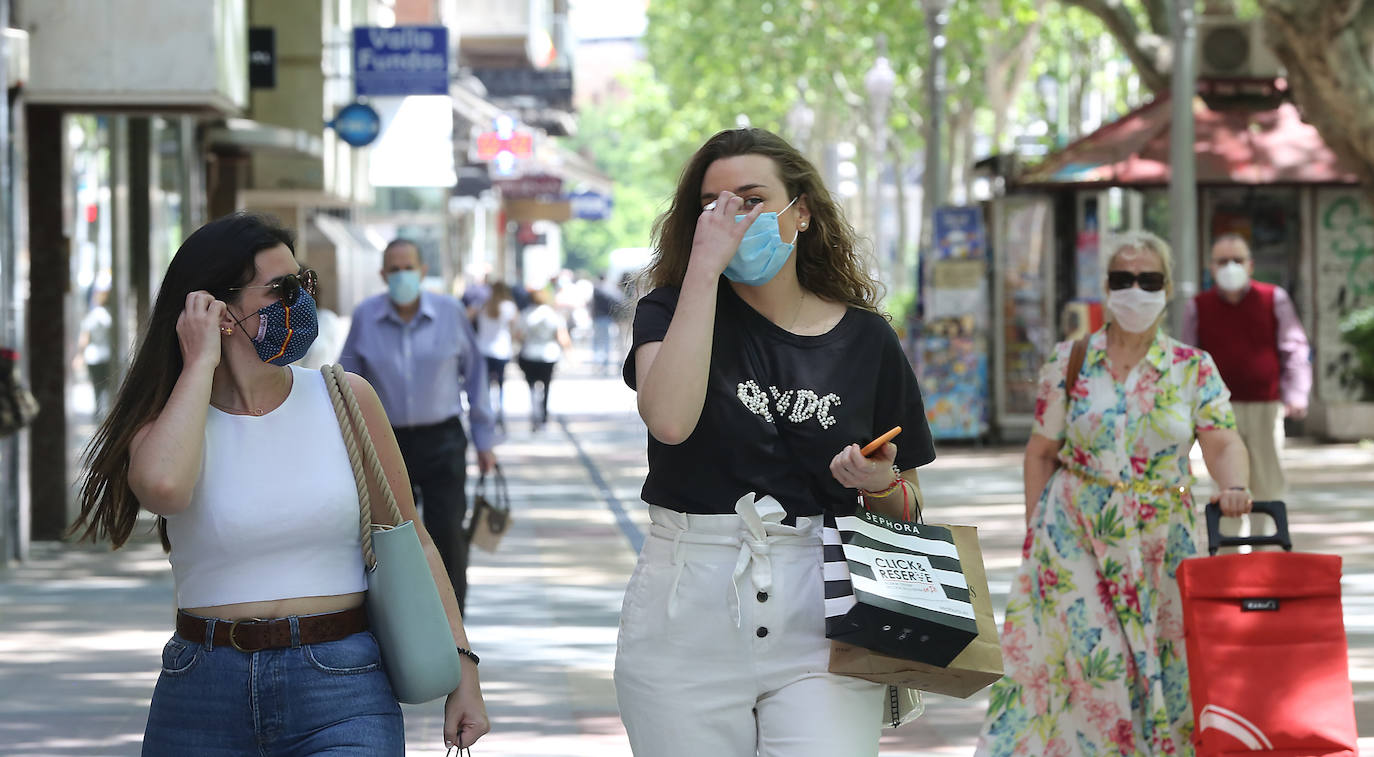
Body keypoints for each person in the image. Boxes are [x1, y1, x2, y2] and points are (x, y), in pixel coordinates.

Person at [69, 213, 489, 755]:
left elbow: (414, 538)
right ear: (215, 308)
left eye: (303, 283)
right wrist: (201, 364)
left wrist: (463, 668)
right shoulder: (167, 419)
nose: (301, 301)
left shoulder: (346, 399)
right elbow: (163, 490)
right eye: (281, 289)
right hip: (203, 687)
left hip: (342, 682)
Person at [614, 127, 937, 757]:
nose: (732, 216)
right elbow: (670, 420)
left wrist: (882, 487)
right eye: (713, 204)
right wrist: (704, 271)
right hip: (688, 601)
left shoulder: (868, 340)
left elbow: (910, 507)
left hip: (825, 602)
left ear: (803, 211)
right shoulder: (670, 311)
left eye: (752, 198)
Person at [976, 231, 1252, 756]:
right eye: (1123, 279)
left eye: (1148, 280)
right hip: (1075, 529)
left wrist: (1234, 485)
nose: (1135, 290)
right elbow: (1040, 452)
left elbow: (1221, 440)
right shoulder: (1071, 361)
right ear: (1106, 287)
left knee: (1157, 661)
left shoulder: (1193, 368)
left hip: (1159, 539)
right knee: (1089, 660)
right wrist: (1037, 536)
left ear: (1167, 288)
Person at [339, 239, 497, 613]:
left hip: (442, 439)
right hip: (385, 442)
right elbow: (343, 380)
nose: (401, 275)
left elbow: (475, 376)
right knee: (392, 538)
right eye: (393, 269)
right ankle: (403, 619)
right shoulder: (366, 316)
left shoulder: (450, 312)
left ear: (423, 271)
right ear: (382, 274)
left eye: (408, 267)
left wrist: (484, 440)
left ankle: (453, 621)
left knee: (447, 535)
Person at [1183, 233, 1311, 527]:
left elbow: (1293, 347)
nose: (1230, 266)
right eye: (1222, 261)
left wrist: (1297, 393)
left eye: (1237, 260)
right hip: (1215, 410)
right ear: (1211, 267)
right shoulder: (1198, 306)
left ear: (1250, 265)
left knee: (1267, 482)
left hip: (1264, 406)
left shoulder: (1273, 298)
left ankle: (1267, 557)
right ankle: (1230, 559)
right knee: (1226, 487)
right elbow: (1187, 359)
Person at [514, 288, 571, 431]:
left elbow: (518, 335)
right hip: (549, 355)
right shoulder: (553, 315)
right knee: (546, 386)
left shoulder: (526, 314)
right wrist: (569, 352)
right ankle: (544, 416)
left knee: (531, 386)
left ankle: (535, 414)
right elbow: (561, 337)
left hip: (529, 354)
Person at [475, 280, 519, 431]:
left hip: (483, 350)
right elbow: (515, 327)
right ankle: (499, 414)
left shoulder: (483, 306)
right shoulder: (508, 307)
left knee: (486, 386)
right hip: (501, 350)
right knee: (500, 384)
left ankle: (489, 413)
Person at [73, 285, 114, 416]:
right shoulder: (110, 315)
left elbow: (85, 336)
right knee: (107, 385)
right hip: (106, 355)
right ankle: (105, 411)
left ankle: (99, 411)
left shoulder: (93, 314)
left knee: (97, 386)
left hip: (93, 356)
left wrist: (80, 355)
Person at [590, 273, 624, 373]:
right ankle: (604, 363)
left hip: (597, 317)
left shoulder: (596, 289)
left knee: (597, 341)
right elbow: (618, 301)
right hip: (606, 318)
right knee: (605, 341)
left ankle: (597, 363)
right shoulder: (609, 290)